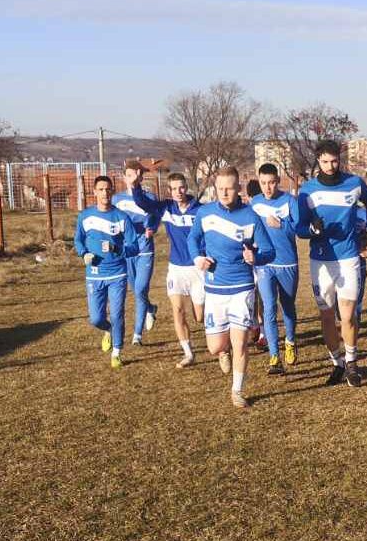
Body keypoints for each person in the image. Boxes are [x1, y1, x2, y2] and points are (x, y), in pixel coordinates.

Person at [295, 139, 367, 387]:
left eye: (334, 161)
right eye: (325, 161)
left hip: (348, 258)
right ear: (318, 160)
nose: (330, 166)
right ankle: (337, 363)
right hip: (320, 261)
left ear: (339, 160)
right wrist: (313, 229)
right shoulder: (307, 191)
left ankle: (352, 362)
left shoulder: (354, 183)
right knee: (326, 317)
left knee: (348, 316)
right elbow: (300, 228)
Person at [188, 166, 275, 408]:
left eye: (229, 188)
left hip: (242, 288)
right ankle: (222, 352)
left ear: (238, 188)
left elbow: (270, 251)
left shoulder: (250, 216)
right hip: (215, 289)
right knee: (215, 346)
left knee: (241, 343)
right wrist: (197, 258)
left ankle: (237, 390)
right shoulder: (205, 213)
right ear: (215, 188)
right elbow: (193, 238)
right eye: (220, 189)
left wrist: (255, 257)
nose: (225, 193)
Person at [134, 172, 206, 368]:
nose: (178, 192)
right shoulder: (166, 208)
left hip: (197, 269)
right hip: (176, 268)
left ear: (186, 187)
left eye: (181, 187)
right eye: (173, 189)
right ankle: (188, 353)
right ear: (169, 191)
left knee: (199, 317)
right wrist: (135, 185)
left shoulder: (200, 210)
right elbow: (142, 203)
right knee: (178, 310)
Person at [73, 175, 138, 368]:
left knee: (117, 314)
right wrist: (83, 253)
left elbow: (134, 247)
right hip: (94, 274)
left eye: (108, 189)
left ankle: (117, 352)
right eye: (101, 189)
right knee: (96, 319)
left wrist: (116, 249)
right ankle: (108, 329)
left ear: (112, 192)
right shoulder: (85, 216)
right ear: (94, 192)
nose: (105, 193)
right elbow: (78, 240)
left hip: (117, 273)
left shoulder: (121, 217)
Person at [250, 163, 303, 374]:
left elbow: (299, 230)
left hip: (287, 263)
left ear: (278, 181)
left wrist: (282, 225)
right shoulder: (255, 203)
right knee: (269, 308)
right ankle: (274, 357)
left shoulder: (290, 201)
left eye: (271, 182)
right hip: (264, 263)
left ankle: (290, 341)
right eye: (263, 183)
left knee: (287, 306)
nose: (268, 187)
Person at [111, 160, 159, 345]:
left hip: (145, 249)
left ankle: (137, 335)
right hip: (127, 250)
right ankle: (150, 308)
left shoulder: (150, 197)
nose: (133, 179)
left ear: (141, 177)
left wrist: (152, 228)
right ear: (124, 177)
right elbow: (113, 221)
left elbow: (156, 217)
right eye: (129, 175)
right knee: (136, 291)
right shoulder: (117, 200)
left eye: (136, 175)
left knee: (140, 289)